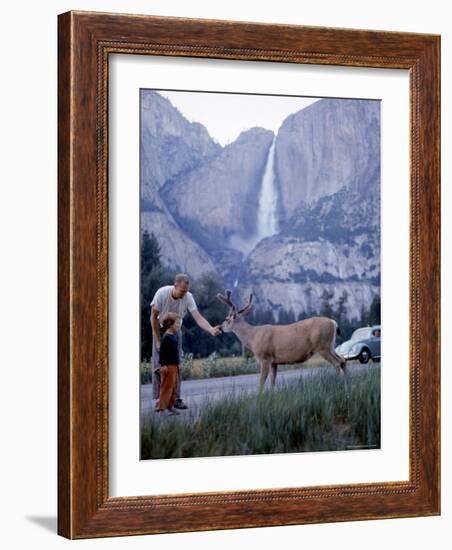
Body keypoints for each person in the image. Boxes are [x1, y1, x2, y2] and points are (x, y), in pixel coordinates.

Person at [150, 273, 221, 409]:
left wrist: (211, 329)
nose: (184, 294)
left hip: (176, 332)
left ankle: (176, 398)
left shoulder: (188, 297)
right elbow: (153, 318)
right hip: (159, 329)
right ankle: (159, 399)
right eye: (182, 291)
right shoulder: (162, 293)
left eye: (186, 291)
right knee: (158, 366)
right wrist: (158, 340)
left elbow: (198, 317)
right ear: (175, 286)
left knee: (176, 366)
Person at [156, 312, 182, 416]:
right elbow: (162, 353)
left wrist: (178, 364)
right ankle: (161, 409)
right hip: (168, 367)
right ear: (170, 324)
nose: (178, 326)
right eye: (177, 324)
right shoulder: (166, 337)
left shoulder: (174, 336)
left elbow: (175, 353)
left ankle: (170, 406)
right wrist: (163, 365)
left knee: (174, 387)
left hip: (174, 366)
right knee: (166, 387)